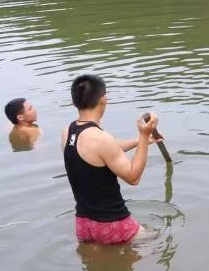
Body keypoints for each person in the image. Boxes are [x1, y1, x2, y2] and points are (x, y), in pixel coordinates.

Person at [61, 74, 160, 245]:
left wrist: (140, 142)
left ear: (74, 102)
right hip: (113, 225)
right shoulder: (101, 138)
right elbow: (133, 177)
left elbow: (100, 154)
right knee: (156, 239)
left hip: (83, 225)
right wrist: (143, 135)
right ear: (104, 99)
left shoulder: (68, 131)